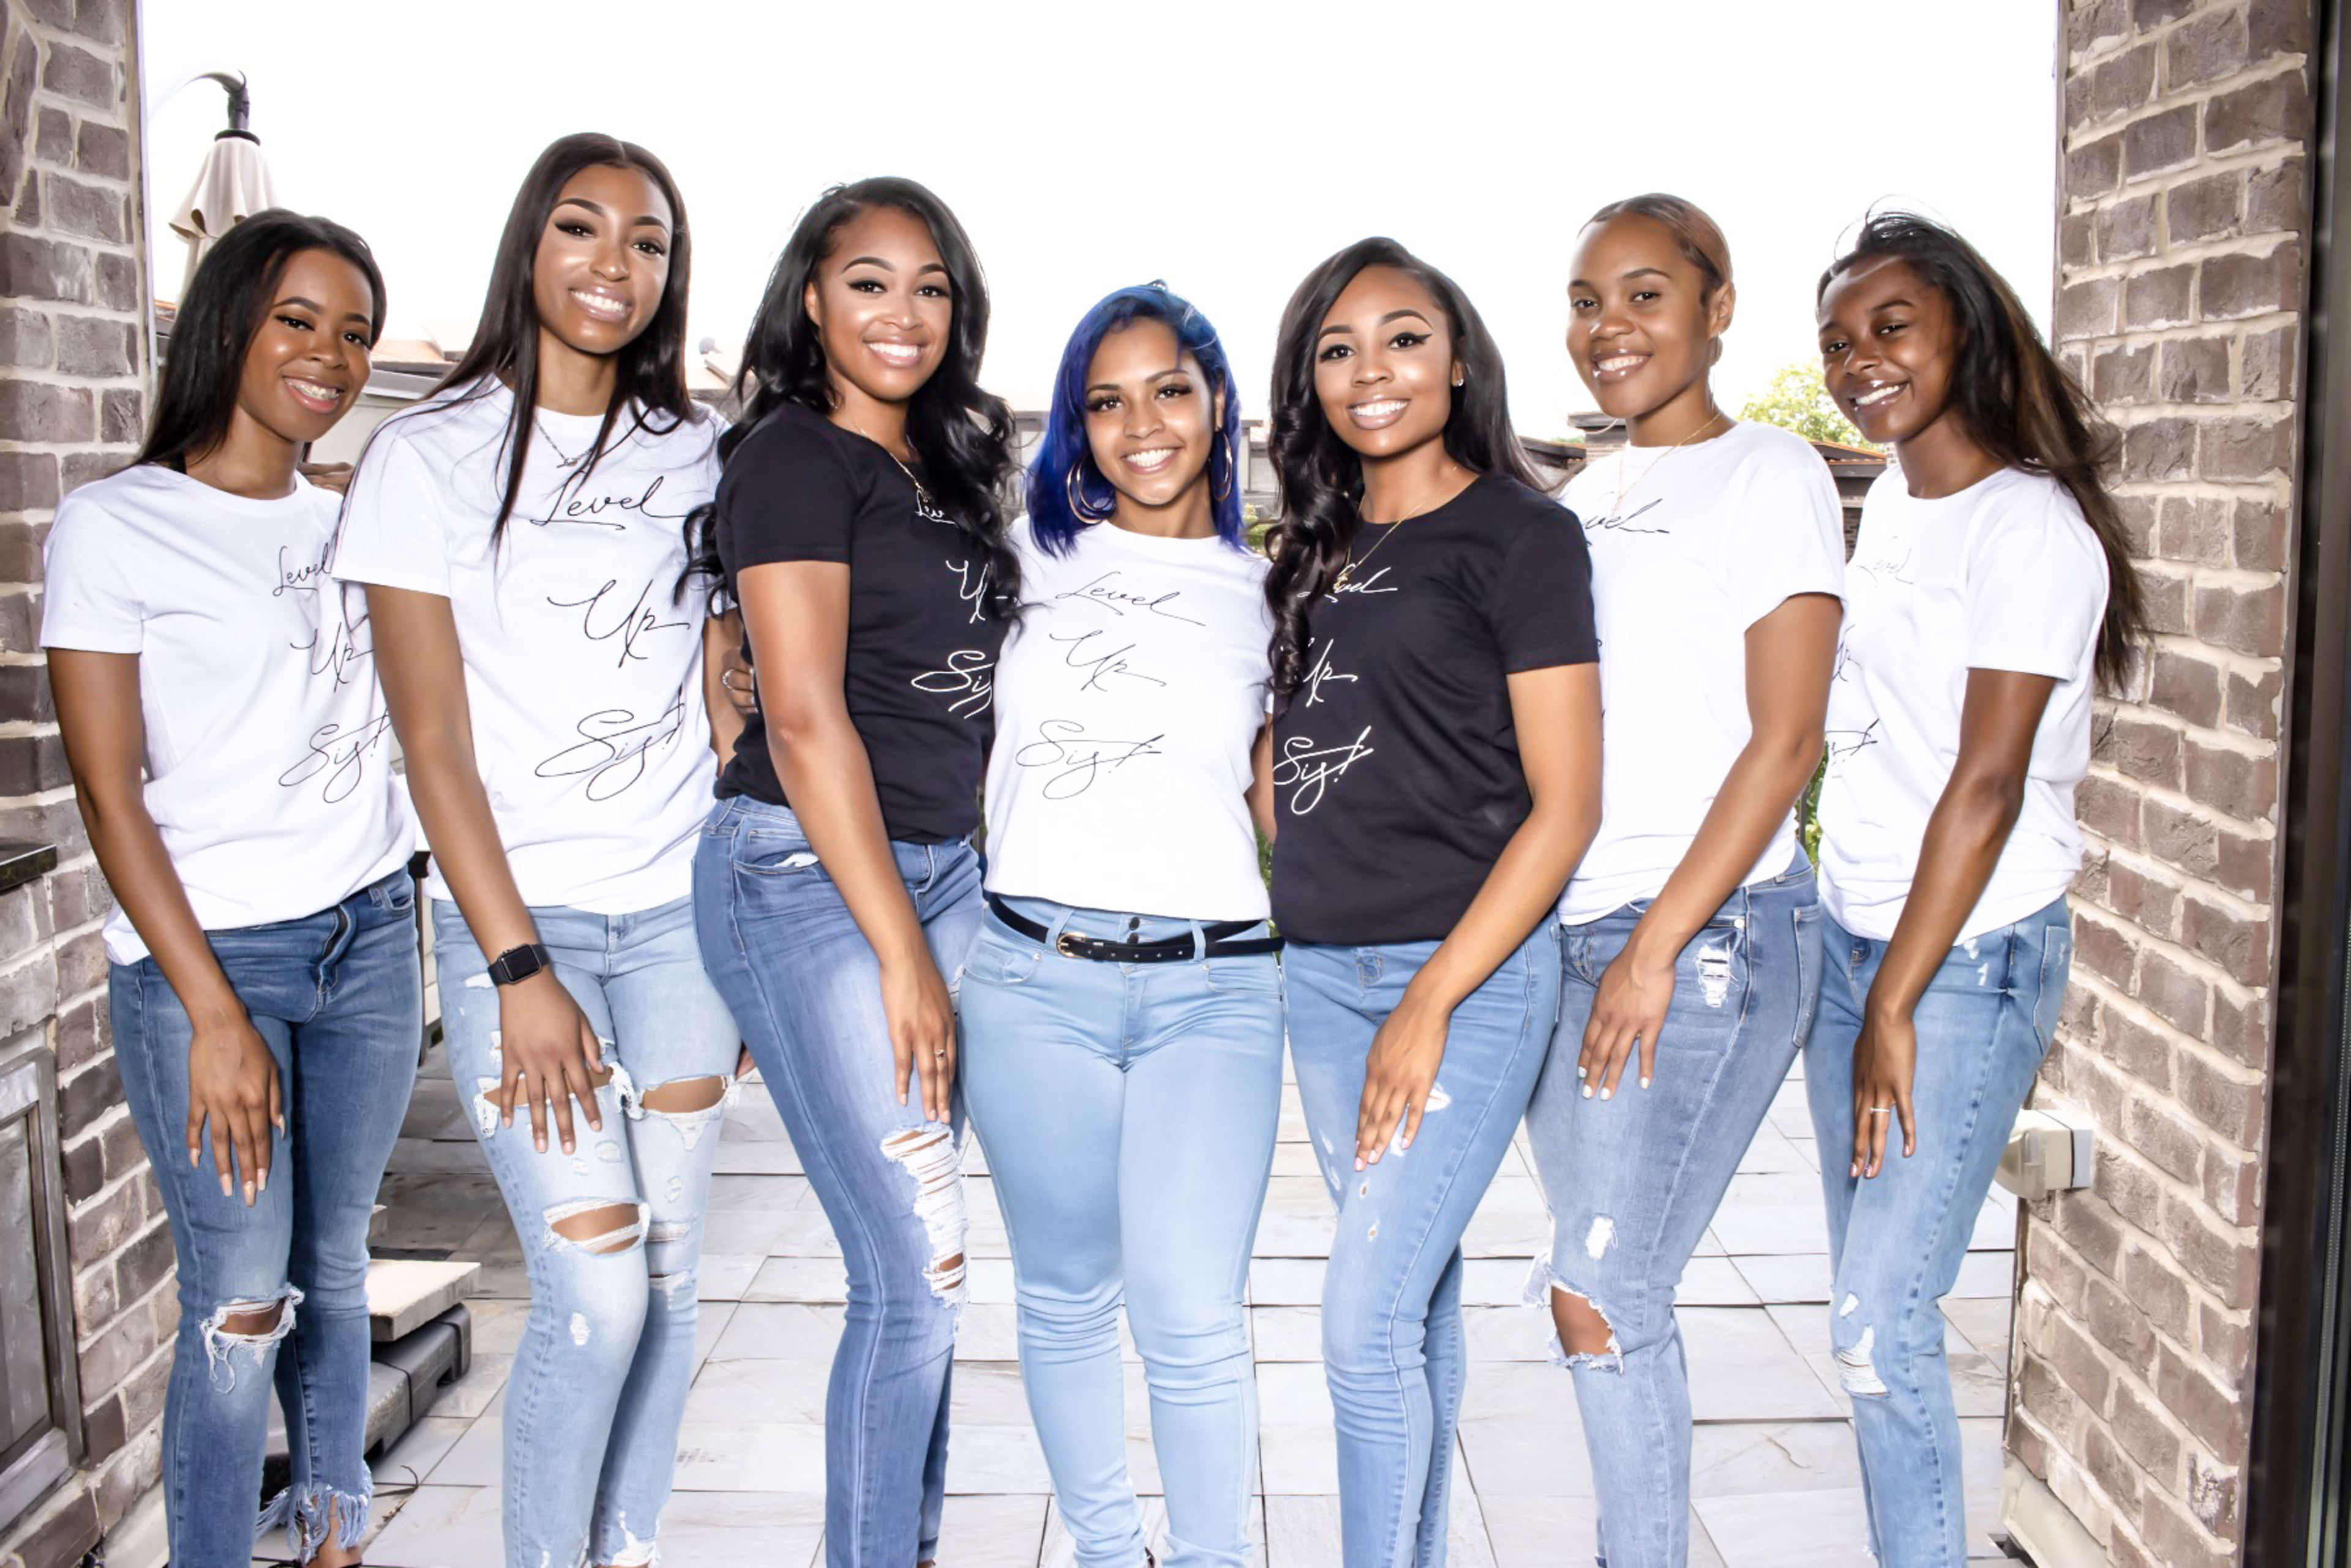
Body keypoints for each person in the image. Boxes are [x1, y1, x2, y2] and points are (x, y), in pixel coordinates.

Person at [332, 133, 741, 1568]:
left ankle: (618, 1554)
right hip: (530, 931)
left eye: (647, 242)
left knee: (675, 1285)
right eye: (581, 229)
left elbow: (721, 681)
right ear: (529, 246)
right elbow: (430, 743)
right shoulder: (423, 458)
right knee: (596, 1290)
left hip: (688, 923)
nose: (612, 266)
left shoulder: (698, 450)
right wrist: (516, 967)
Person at [44, 211, 416, 1568]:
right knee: (241, 1296)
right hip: (211, 964)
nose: (334, 355)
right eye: (300, 320)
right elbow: (107, 795)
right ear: (230, 327)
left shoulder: (364, 516)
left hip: (371, 938)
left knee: (333, 1273)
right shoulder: (116, 525)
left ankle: (332, 1539)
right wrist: (209, 1012)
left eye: (357, 331)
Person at [689, 176, 1019, 1568]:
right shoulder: (791, 460)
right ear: (811, 300)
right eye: (869, 280)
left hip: (942, 874)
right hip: (812, 877)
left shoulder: (941, 473)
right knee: (915, 1273)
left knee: (928, 1274)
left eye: (931, 284)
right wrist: (897, 958)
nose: (903, 311)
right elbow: (808, 716)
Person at [1807, 211, 2145, 1568]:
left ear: (1966, 326)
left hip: (1959, 961)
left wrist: (1894, 996)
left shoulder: (2032, 532)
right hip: (1859, 940)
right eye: (1837, 341)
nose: (1860, 361)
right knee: (1860, 1316)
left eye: (1891, 325)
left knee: (1885, 1323)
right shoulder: (1892, 498)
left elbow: (1989, 784)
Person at [1262, 238, 1603, 1568]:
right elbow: (1302, 751)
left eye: (1405, 337)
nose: (1372, 370)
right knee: (1409, 1307)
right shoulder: (1316, 542)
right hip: (1323, 968)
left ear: (1459, 360)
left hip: (1460, 972)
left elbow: (1565, 804)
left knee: (1358, 1326)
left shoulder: (1524, 534)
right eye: (1338, 349)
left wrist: (1430, 998)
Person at [1517, 193, 1847, 1568]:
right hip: (1577, 934)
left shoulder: (1768, 475)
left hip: (1701, 944)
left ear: (1718, 309)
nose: (1612, 327)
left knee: (1603, 1289)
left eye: (1646, 294)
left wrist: (1656, 946)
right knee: (1596, 1293)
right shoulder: (1583, 502)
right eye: (1590, 300)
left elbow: (1788, 740)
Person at [959, 283, 1280, 1568]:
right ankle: (1104, 1550)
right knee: (1063, 1297)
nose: (1140, 423)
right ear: (1074, 426)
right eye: (1106, 400)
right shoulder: (1019, 562)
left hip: (1218, 988)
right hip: (1034, 979)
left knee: (1194, 1314)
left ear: (1216, 406)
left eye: (1168, 391)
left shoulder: (1275, 589)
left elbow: (1299, 794)